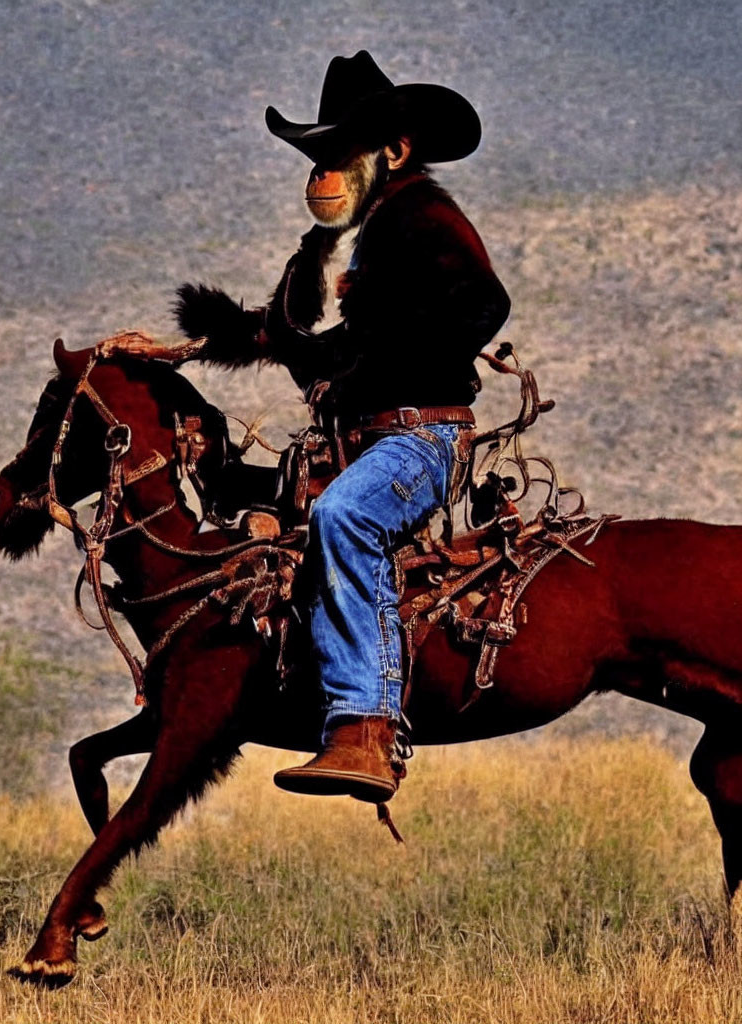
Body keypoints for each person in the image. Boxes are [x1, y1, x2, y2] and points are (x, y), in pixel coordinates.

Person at [106, 51, 510, 804]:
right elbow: (286, 337)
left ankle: (366, 727)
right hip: (358, 441)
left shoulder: (425, 218)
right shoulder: (329, 249)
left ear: (393, 154)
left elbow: (483, 306)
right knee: (236, 512)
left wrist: (373, 366)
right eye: (314, 159)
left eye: (336, 156)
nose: (318, 175)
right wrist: (182, 348)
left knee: (345, 517)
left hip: (421, 437)